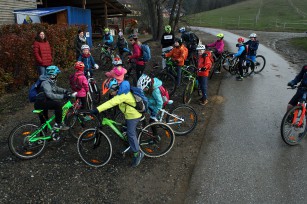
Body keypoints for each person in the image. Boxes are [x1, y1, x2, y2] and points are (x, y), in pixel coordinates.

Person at [91, 78, 144, 167]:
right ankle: (132, 145)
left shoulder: (122, 95)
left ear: (114, 88)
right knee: (125, 129)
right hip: (129, 114)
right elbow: (113, 102)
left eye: (110, 92)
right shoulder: (121, 91)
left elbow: (112, 102)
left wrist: (97, 109)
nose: (110, 94)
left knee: (131, 133)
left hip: (134, 116)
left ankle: (137, 153)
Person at [34, 66, 73, 131]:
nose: (57, 75)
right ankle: (58, 124)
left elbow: (55, 88)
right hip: (41, 103)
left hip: (42, 101)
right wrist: (63, 96)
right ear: (52, 75)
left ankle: (42, 138)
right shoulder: (45, 82)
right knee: (58, 105)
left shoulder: (49, 81)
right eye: (56, 74)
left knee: (44, 122)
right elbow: (50, 95)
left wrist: (65, 91)